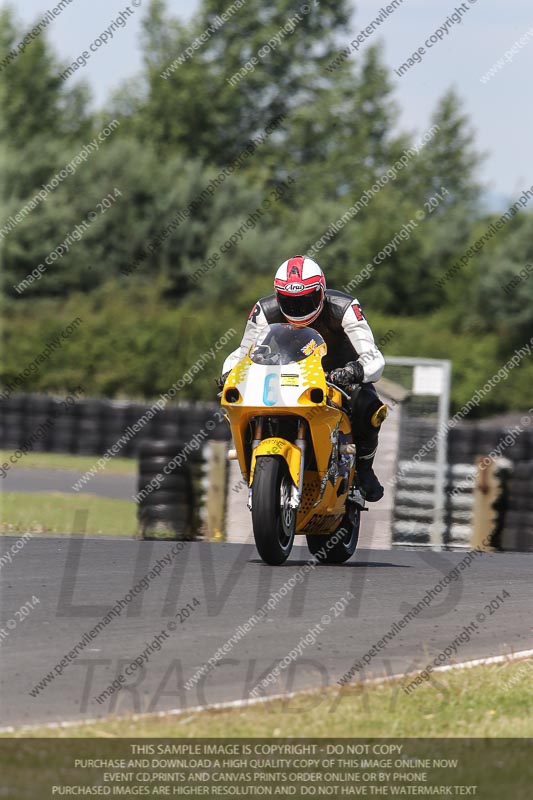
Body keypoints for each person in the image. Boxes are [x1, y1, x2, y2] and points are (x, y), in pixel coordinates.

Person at [219, 255, 387, 501]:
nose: (298, 309)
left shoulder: (344, 307)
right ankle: (253, 459)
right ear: (278, 296)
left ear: (321, 292)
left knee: (370, 408)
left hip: (338, 374)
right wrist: (229, 373)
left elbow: (373, 357)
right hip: (289, 372)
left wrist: (354, 371)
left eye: (305, 300)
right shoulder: (264, 310)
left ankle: (364, 469)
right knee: (238, 399)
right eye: (290, 302)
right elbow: (243, 352)